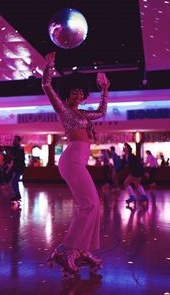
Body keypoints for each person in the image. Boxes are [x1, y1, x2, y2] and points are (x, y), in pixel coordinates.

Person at [42, 51, 110, 277]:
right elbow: (46, 85)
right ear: (67, 94)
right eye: (74, 91)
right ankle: (66, 250)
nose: (78, 94)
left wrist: (105, 90)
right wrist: (50, 65)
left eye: (81, 92)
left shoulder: (83, 113)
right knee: (89, 205)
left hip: (78, 161)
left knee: (92, 205)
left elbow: (101, 111)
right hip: (71, 160)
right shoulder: (64, 110)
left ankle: (80, 250)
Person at [8, 135, 25, 202]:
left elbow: (13, 157)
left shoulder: (19, 148)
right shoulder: (16, 148)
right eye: (14, 139)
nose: (14, 140)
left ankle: (17, 195)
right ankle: (17, 195)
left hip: (19, 167)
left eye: (15, 139)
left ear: (18, 141)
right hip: (17, 167)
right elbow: (13, 158)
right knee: (14, 181)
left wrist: (10, 153)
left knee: (14, 182)